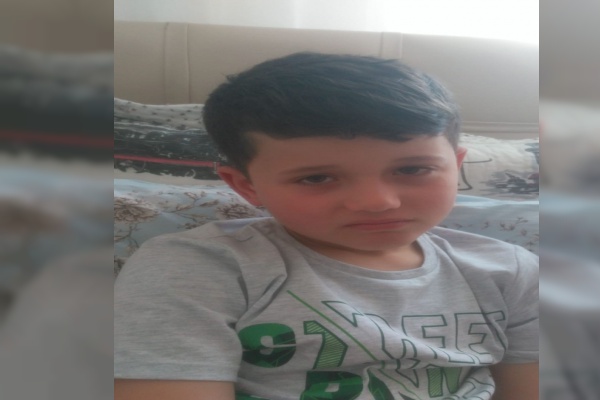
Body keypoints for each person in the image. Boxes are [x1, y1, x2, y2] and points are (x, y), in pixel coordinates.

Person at [114, 52, 538, 400]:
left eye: (413, 169)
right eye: (317, 178)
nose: (378, 202)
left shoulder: (510, 271)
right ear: (246, 186)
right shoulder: (198, 268)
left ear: (456, 166)